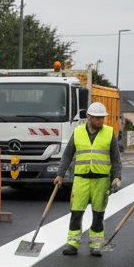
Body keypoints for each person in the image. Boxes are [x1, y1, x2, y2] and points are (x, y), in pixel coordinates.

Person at [54, 101, 122, 257]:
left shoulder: (109, 133)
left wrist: (117, 177)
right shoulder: (77, 132)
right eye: (97, 118)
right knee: (76, 212)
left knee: (98, 213)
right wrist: (60, 174)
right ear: (89, 117)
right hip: (81, 179)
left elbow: (116, 158)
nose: (101, 121)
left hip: (101, 180)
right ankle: (72, 243)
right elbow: (67, 155)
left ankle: (96, 245)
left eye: (102, 118)